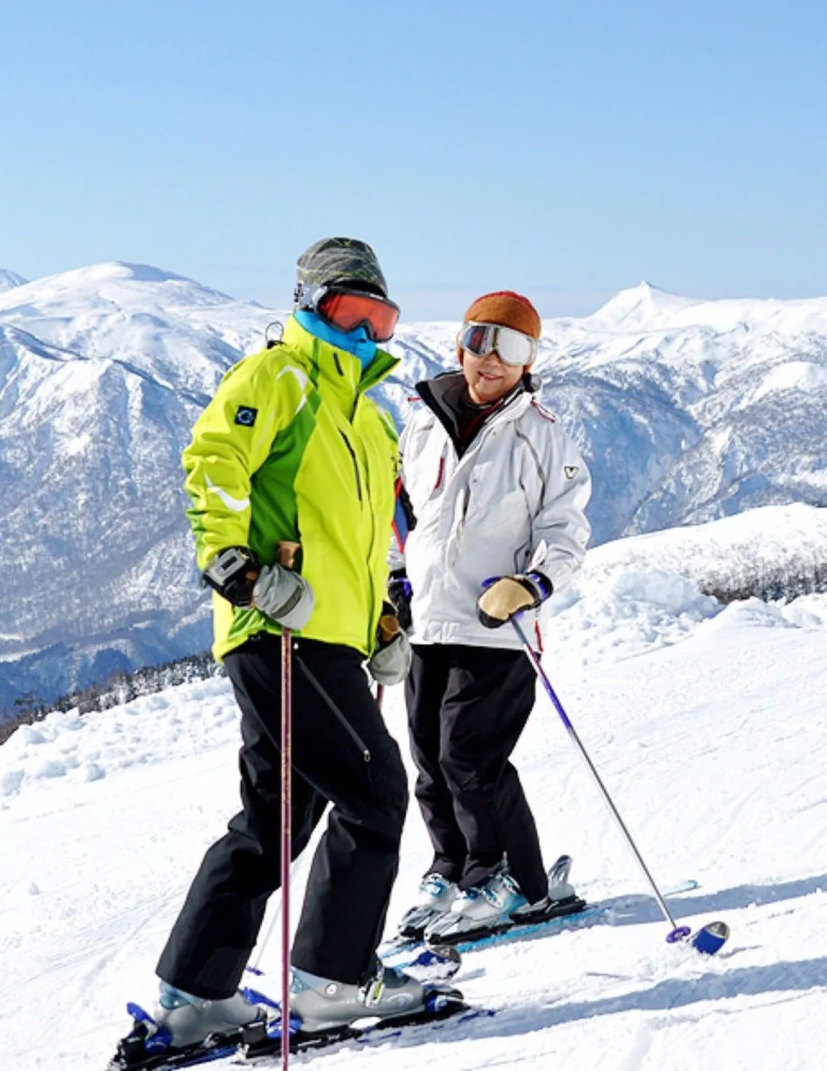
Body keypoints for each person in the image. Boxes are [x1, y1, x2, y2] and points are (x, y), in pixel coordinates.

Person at [113, 238, 423, 1066]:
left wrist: (385, 619)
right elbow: (213, 460)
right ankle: (331, 977)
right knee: (376, 792)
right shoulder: (279, 377)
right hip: (282, 631)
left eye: (378, 317)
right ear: (307, 306)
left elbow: (361, 540)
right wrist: (236, 567)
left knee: (276, 817)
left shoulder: (369, 414)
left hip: (327, 635)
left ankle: (194, 993)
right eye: (345, 313)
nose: (363, 331)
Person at [390, 290, 592, 943]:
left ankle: (501, 879)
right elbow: (402, 512)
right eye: (481, 340)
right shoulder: (423, 418)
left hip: (495, 625)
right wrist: (394, 584)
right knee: (429, 759)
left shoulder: (541, 433)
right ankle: (454, 871)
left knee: (469, 758)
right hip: (428, 622)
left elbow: (566, 528)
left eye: (513, 348)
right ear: (461, 346)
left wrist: (532, 583)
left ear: (530, 361)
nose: (492, 360)